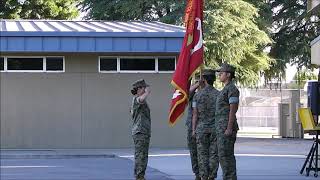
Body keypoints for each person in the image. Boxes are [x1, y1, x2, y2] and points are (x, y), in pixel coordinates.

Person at [192, 69, 220, 180]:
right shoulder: (219, 95)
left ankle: (204, 177)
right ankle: (212, 176)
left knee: (202, 155)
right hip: (215, 129)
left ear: (203, 79)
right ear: (214, 79)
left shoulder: (197, 96)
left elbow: (195, 114)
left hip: (201, 129)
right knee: (214, 155)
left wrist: (193, 130)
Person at [215, 63, 240, 180]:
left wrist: (229, 128)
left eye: (222, 72)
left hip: (226, 129)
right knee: (223, 157)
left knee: (226, 157)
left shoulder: (232, 89)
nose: (219, 74)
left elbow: (232, 110)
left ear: (228, 75)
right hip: (221, 129)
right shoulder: (224, 89)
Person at [130, 79, 151, 180]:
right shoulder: (136, 99)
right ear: (139, 89)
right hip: (140, 132)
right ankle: (139, 176)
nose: (146, 89)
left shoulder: (138, 100)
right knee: (140, 155)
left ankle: (140, 175)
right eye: (144, 87)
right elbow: (140, 100)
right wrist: (147, 93)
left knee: (142, 155)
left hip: (143, 132)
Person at [185, 74, 202, 180]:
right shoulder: (194, 95)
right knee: (194, 151)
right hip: (192, 126)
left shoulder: (211, 94)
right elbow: (186, 94)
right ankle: (197, 174)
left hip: (204, 127)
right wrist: (197, 84)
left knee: (204, 152)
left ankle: (204, 173)